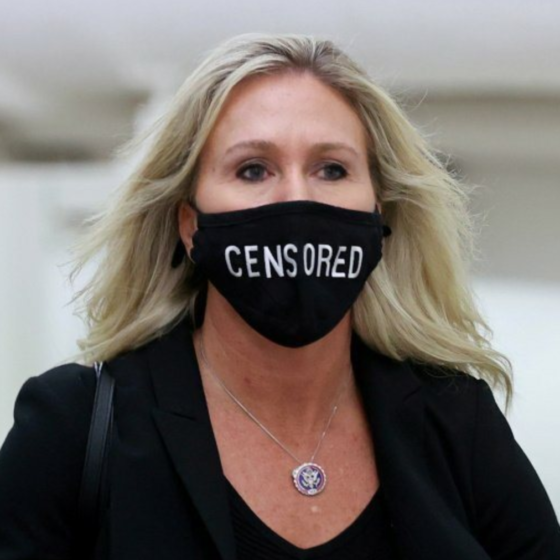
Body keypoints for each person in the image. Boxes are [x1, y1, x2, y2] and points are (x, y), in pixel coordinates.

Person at [0, 32, 559, 560]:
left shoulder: (458, 422)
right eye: (253, 170)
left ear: (378, 212)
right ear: (190, 225)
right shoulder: (72, 427)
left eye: (332, 169)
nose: (296, 198)